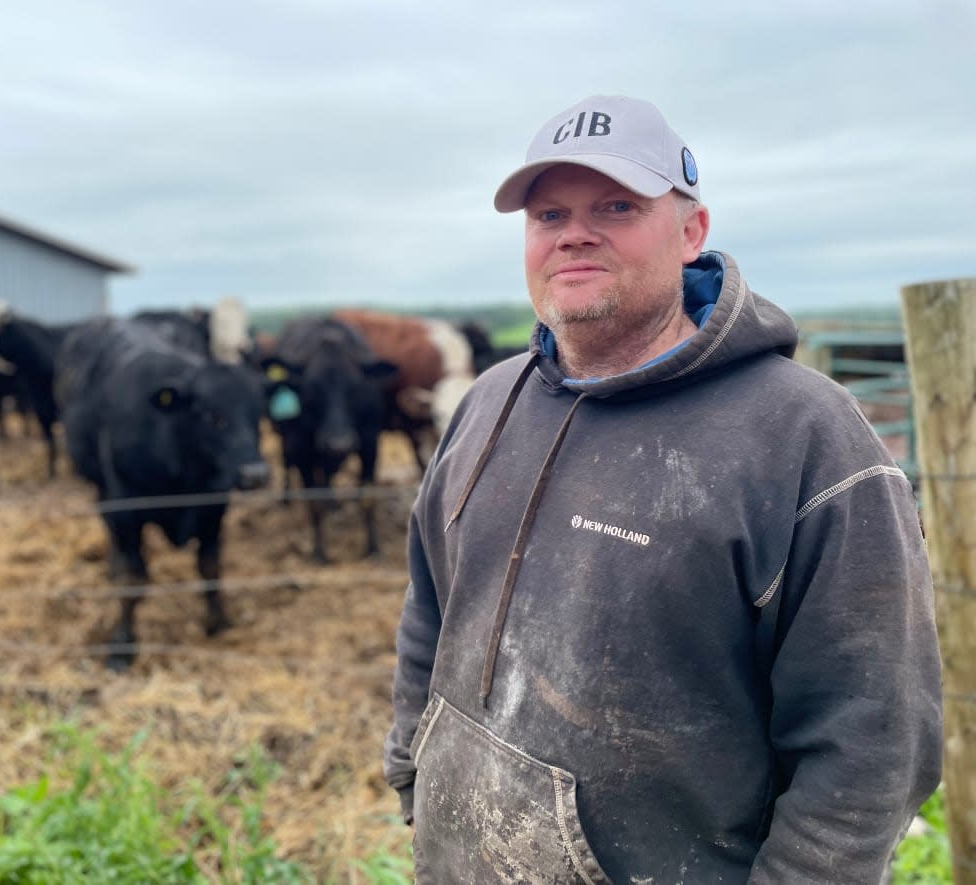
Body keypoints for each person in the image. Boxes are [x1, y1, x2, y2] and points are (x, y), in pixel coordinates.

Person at [382, 94, 943, 884]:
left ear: (692, 232)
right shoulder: (485, 402)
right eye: (548, 214)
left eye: (617, 205)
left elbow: (871, 742)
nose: (574, 231)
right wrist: (415, 772)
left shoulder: (805, 437)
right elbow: (431, 607)